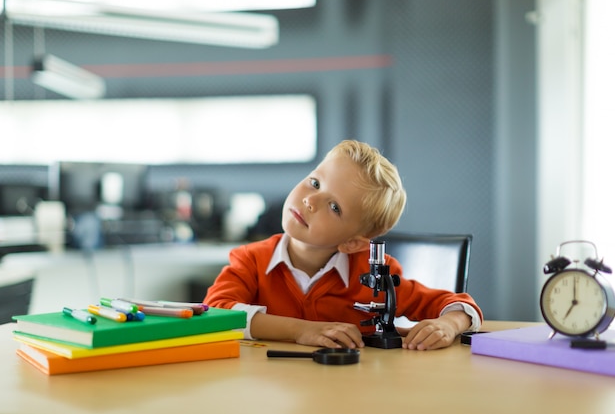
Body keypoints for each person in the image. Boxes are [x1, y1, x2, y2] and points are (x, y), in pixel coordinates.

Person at [204, 140, 483, 350]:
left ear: (352, 243)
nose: (310, 201)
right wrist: (300, 331)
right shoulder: (250, 260)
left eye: (334, 206)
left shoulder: (375, 273)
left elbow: (457, 305)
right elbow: (215, 313)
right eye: (314, 183)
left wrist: (448, 324)